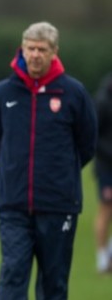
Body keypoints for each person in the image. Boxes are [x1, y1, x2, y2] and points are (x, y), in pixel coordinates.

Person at [0, 21, 97, 299]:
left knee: (54, 283)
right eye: (30, 48)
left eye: (42, 49)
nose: (35, 54)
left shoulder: (74, 93)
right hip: (13, 204)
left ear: (54, 52)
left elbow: (87, 145)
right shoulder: (3, 92)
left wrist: (59, 174)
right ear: (22, 50)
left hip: (59, 204)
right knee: (12, 277)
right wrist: (16, 171)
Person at [93, 72, 112, 273]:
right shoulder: (103, 99)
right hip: (107, 168)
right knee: (106, 210)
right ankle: (101, 260)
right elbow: (94, 136)